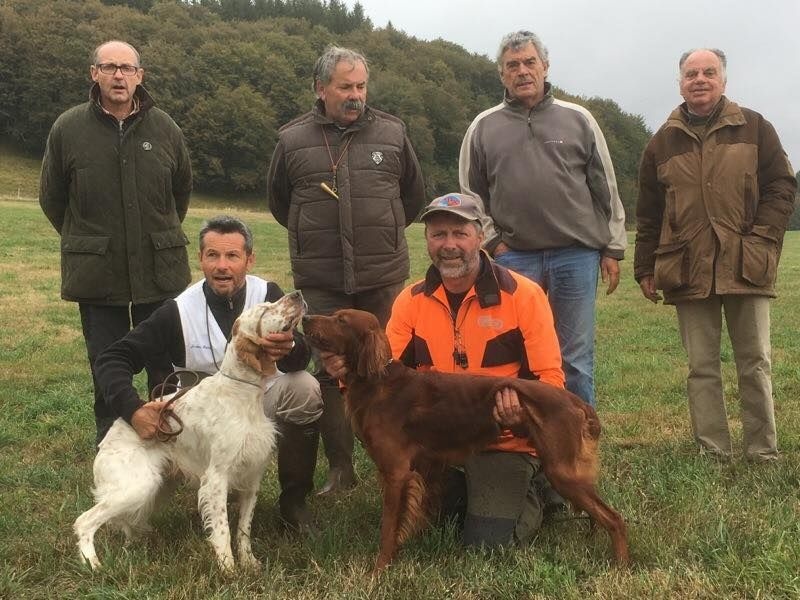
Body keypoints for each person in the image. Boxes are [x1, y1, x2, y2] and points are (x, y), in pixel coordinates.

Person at [326, 193, 566, 546]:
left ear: (479, 237)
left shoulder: (524, 295)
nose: (449, 245)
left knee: (486, 545)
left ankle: (541, 488)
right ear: (427, 240)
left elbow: (551, 380)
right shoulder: (411, 300)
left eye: (459, 233)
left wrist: (521, 410)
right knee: (435, 523)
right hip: (436, 443)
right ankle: (470, 494)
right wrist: (346, 372)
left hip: (504, 441)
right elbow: (380, 373)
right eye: (438, 234)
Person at [94, 216, 323, 529]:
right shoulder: (177, 310)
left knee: (304, 387)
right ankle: (214, 486)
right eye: (212, 255)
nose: (222, 266)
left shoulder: (267, 293)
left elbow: (300, 357)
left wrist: (290, 348)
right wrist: (132, 410)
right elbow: (112, 358)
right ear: (200, 258)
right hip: (201, 421)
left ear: (249, 259)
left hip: (256, 404)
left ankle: (294, 502)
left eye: (232, 256)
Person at [267, 45, 426, 495]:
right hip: (322, 279)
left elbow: (413, 197)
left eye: (361, 86)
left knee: (388, 364)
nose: (356, 95)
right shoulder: (291, 140)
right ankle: (342, 469)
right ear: (321, 89)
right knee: (330, 372)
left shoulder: (393, 133)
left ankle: (397, 454)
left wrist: (385, 232)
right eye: (345, 87)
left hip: (384, 275)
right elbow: (281, 204)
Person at [634, 48, 796, 463]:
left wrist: (763, 237)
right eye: (691, 73)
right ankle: (713, 452)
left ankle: (762, 452)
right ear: (680, 82)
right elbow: (649, 212)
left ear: (723, 80)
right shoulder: (661, 142)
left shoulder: (756, 127)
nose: (700, 79)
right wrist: (644, 267)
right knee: (701, 368)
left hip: (747, 262)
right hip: (687, 268)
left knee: (754, 362)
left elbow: (782, 185)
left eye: (709, 72)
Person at [459, 30, 626, 407]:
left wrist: (612, 248)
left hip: (576, 255)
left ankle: (579, 439)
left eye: (529, 62)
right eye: (512, 65)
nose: (522, 71)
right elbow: (472, 196)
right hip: (514, 258)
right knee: (518, 354)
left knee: (575, 359)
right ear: (501, 74)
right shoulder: (482, 126)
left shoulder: (579, 118)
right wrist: (493, 244)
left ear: (545, 67)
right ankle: (525, 441)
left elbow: (606, 187)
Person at [39, 40, 193, 446]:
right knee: (105, 363)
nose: (119, 76)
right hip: (97, 274)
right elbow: (52, 198)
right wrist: (85, 241)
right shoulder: (67, 129)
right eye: (109, 67)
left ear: (140, 76)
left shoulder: (166, 129)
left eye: (127, 68)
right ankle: (111, 446)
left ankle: (169, 446)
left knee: (164, 364)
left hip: (158, 272)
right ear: (94, 73)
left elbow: (180, 195)